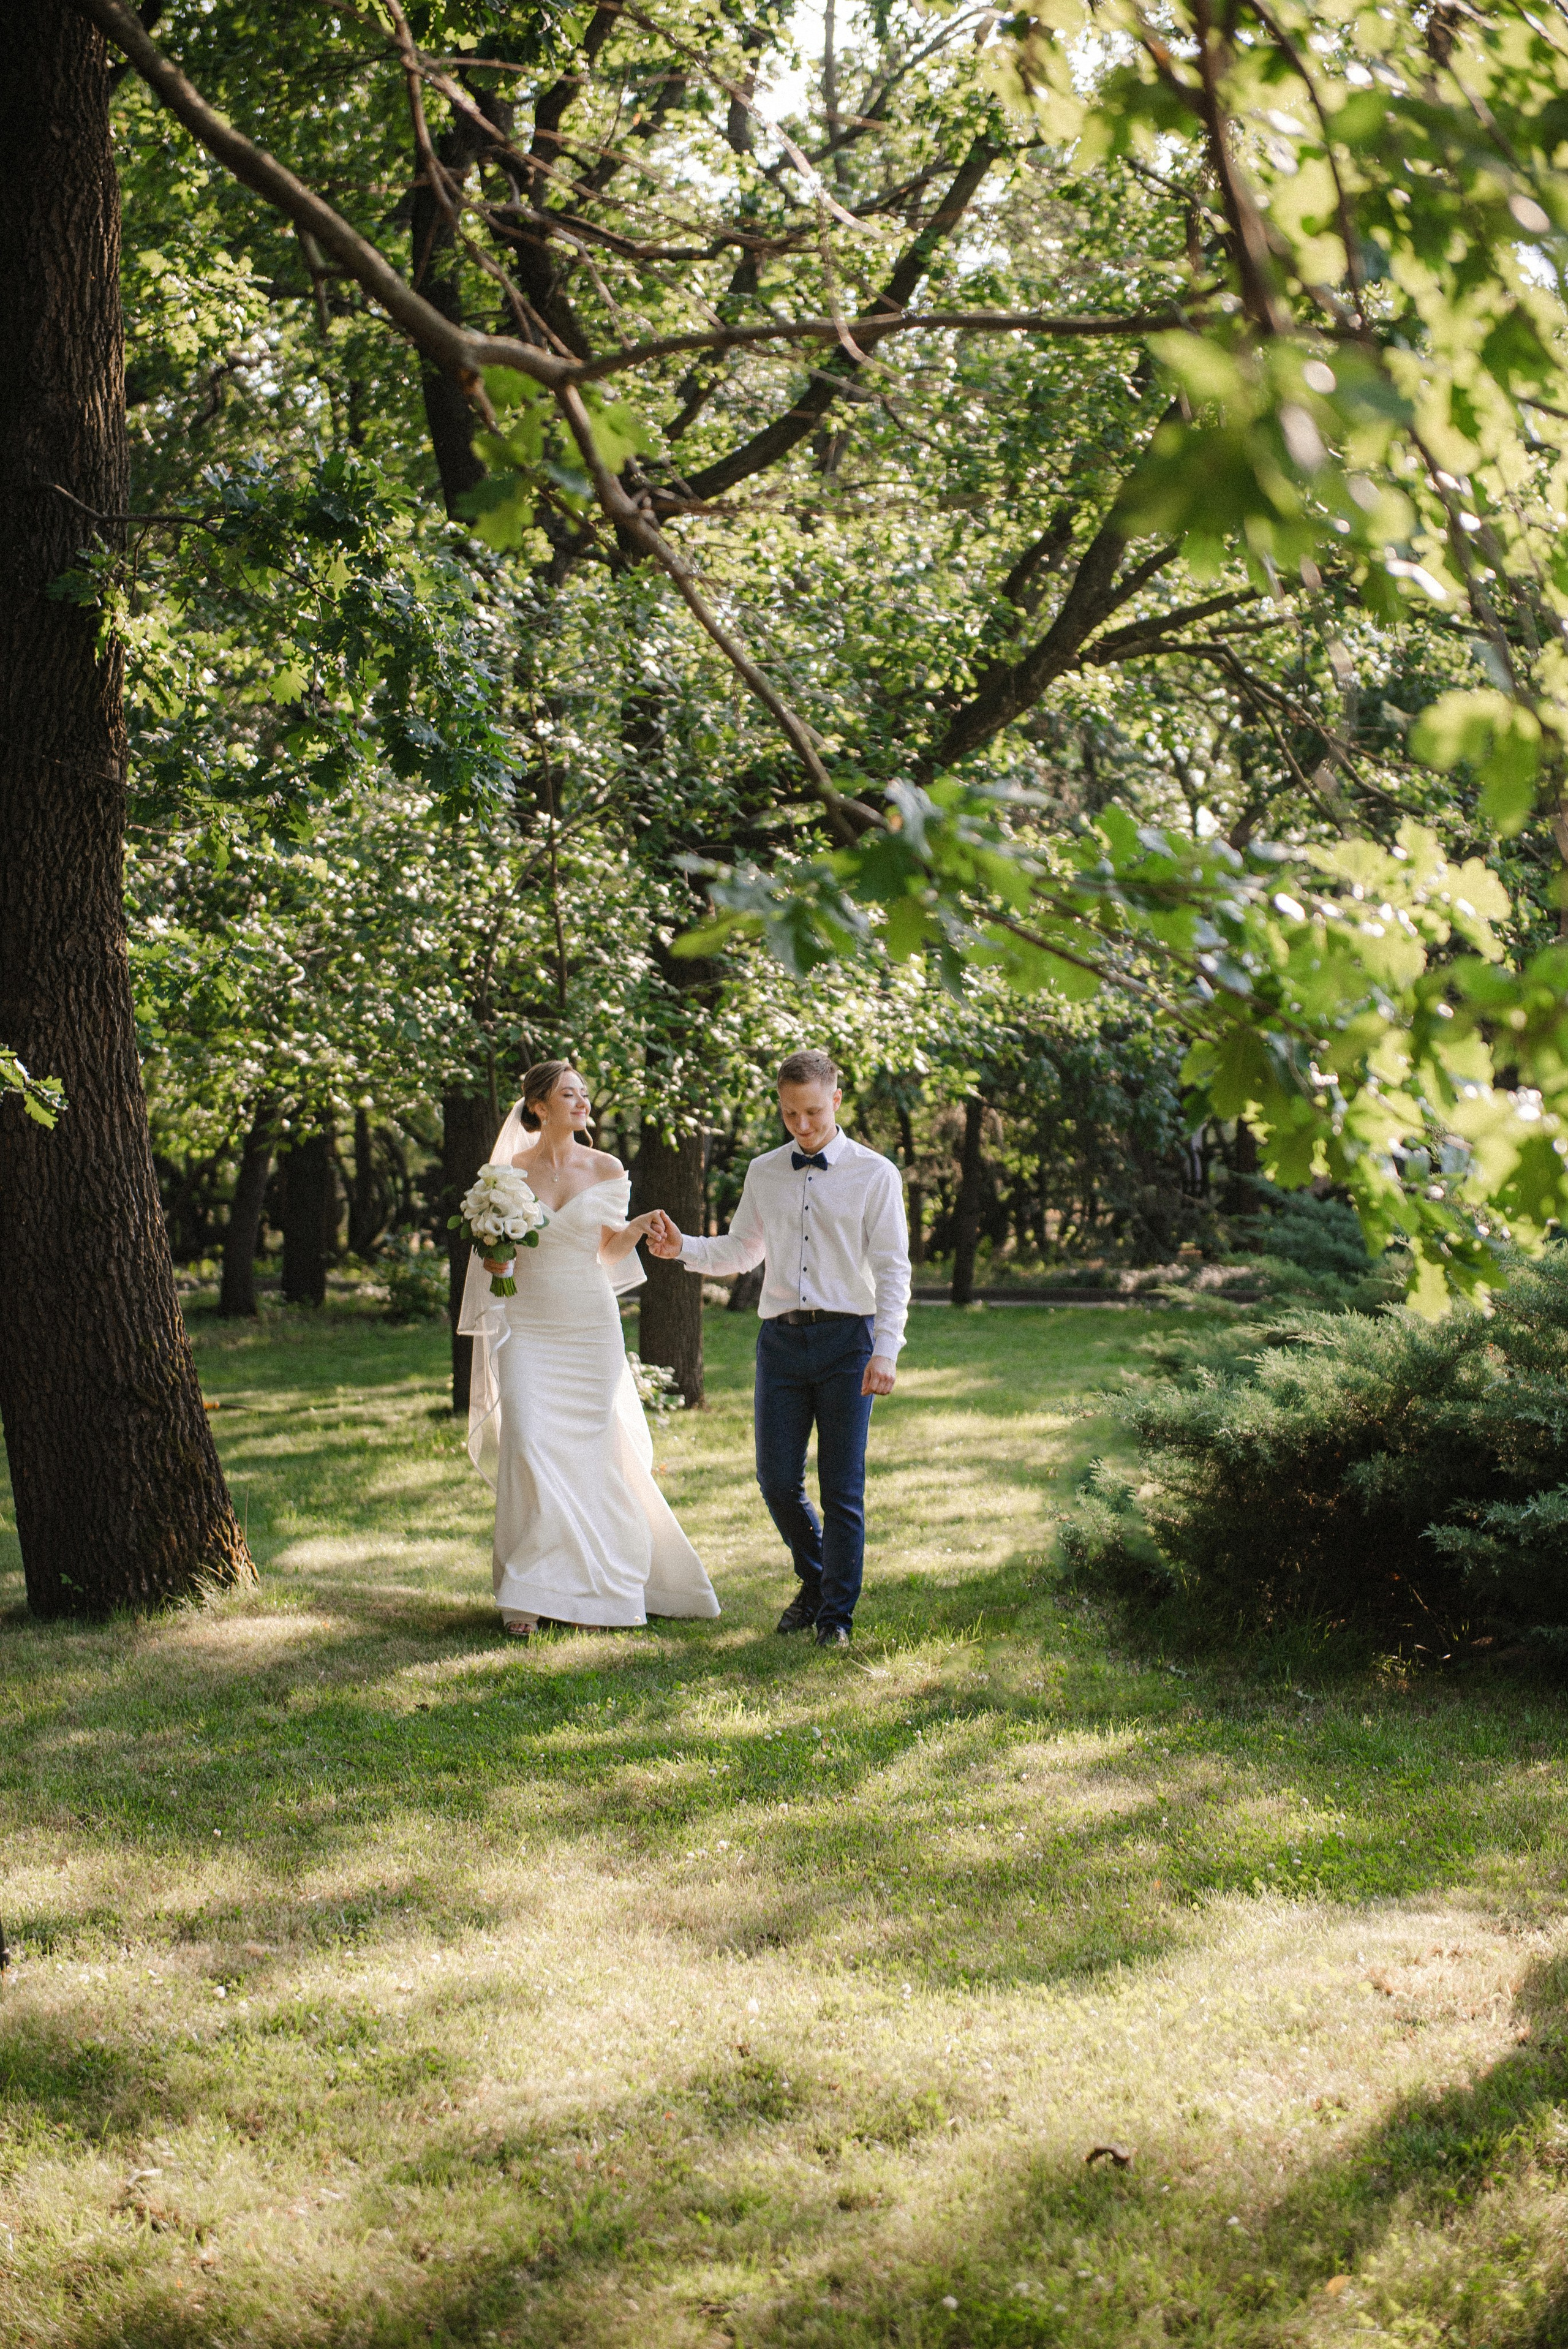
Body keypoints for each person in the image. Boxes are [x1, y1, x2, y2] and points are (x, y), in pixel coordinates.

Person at [646, 1049, 910, 1647]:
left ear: (836, 1100)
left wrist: (885, 1349)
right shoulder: (764, 1171)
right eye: (790, 1114)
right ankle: (816, 1578)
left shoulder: (876, 1174)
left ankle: (835, 1617)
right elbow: (743, 1250)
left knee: (842, 1485)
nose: (802, 1125)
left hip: (849, 1341)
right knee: (776, 1479)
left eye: (813, 1112)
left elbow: (893, 1268)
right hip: (781, 1344)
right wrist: (681, 1248)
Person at [458, 1060, 718, 1637]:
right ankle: (531, 1585)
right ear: (540, 1107)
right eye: (567, 1094)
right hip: (527, 1322)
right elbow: (495, 1252)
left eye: (583, 1094)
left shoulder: (606, 1167)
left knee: (596, 1450)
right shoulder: (506, 1175)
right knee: (527, 1442)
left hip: (588, 1324)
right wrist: (494, 1256)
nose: (581, 1102)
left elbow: (605, 1251)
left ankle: (604, 1586)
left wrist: (637, 1227)